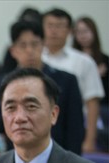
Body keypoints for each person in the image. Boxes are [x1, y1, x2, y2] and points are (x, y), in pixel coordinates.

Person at [0, 21, 84, 155]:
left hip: (58, 156)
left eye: (35, 44)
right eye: (23, 45)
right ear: (13, 50)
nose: (29, 51)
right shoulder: (4, 82)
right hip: (17, 156)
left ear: (43, 45)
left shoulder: (66, 80)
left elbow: (75, 128)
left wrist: (72, 162)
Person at [43, 8, 104, 153]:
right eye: (50, 25)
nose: (54, 31)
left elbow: (92, 102)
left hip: (73, 128)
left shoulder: (84, 61)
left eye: (59, 26)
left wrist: (89, 140)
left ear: (70, 31)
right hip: (41, 129)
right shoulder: (36, 60)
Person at [73, 16, 109, 150]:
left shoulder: (105, 60)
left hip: (98, 108)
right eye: (79, 32)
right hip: (76, 107)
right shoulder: (71, 58)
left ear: (94, 32)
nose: (83, 36)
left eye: (86, 31)